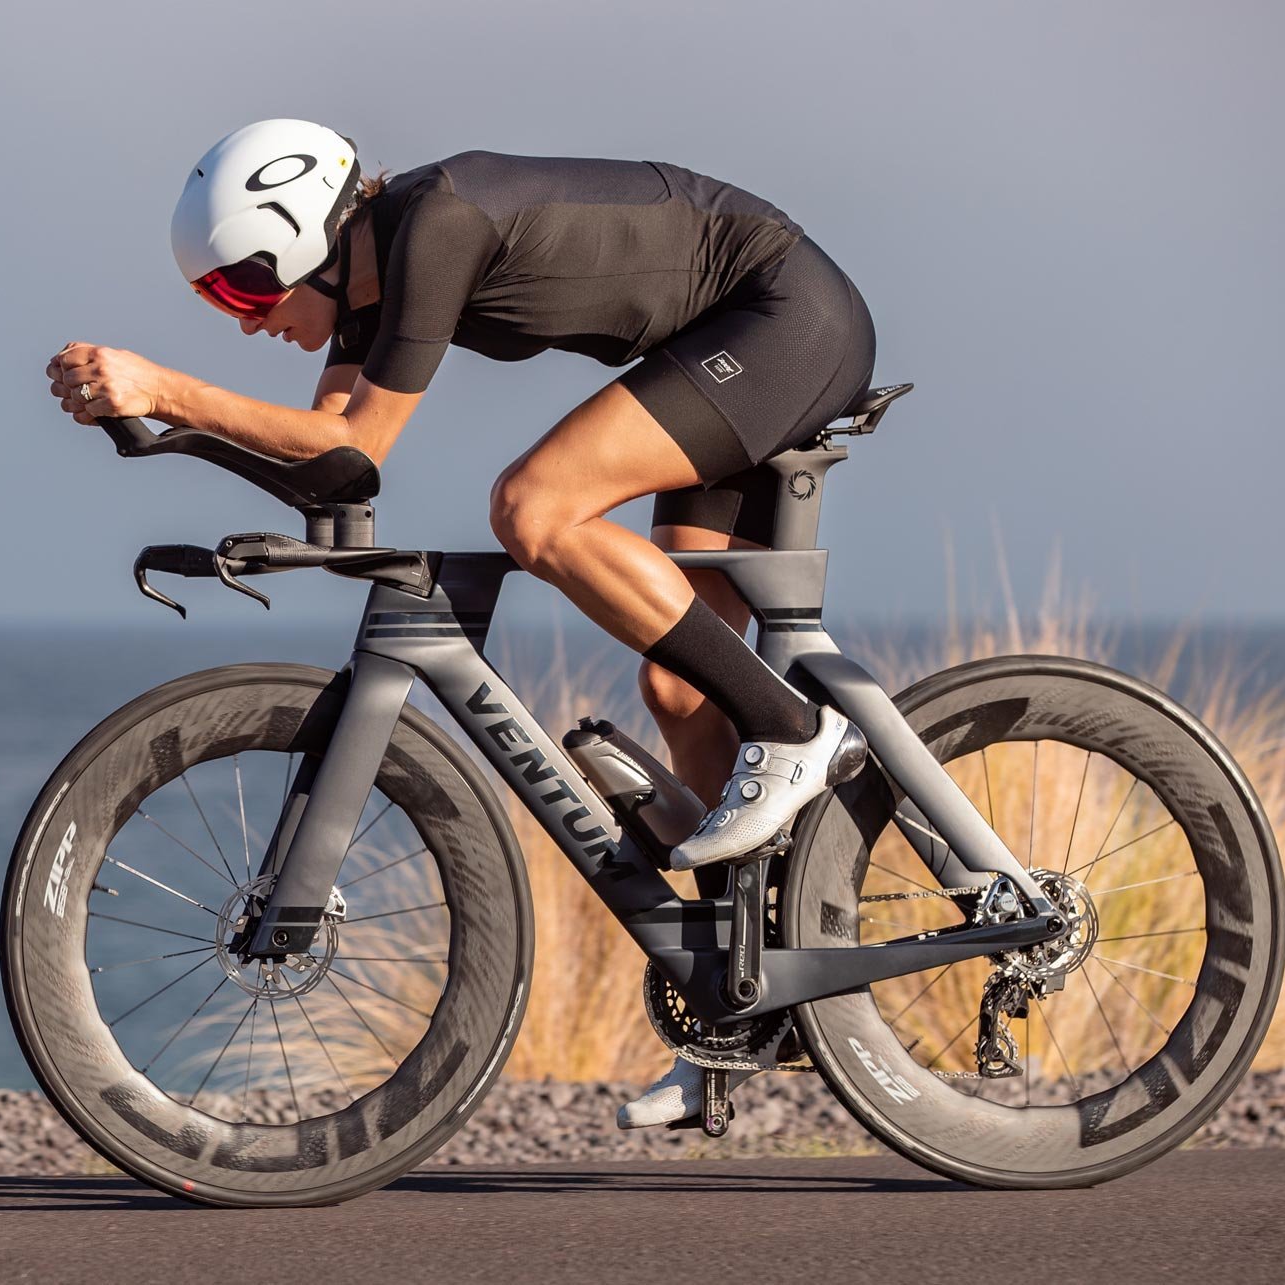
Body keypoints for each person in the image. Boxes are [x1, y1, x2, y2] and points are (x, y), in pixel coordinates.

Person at [45, 119, 877, 1129]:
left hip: (780, 317)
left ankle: (794, 731)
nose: (242, 319)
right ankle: (738, 1007)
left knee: (534, 506)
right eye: (218, 299)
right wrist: (162, 427)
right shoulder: (370, 286)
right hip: (729, 343)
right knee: (678, 691)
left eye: (243, 287)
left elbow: (352, 438)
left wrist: (169, 386)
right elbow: (338, 468)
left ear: (301, 236)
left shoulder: (428, 227)